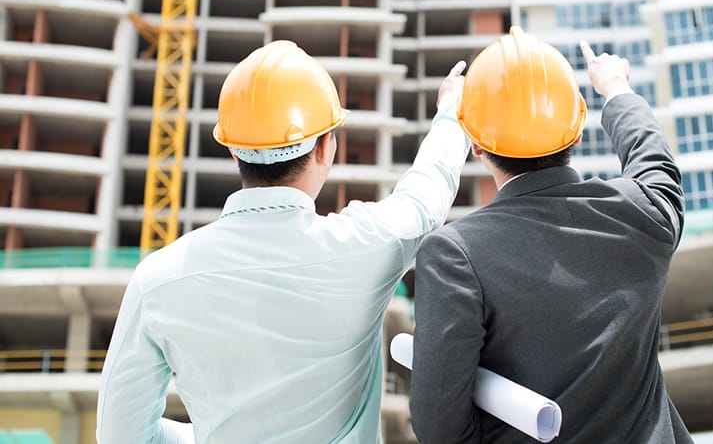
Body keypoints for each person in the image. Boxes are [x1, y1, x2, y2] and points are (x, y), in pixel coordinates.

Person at [96, 40, 470, 443]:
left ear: (235, 153)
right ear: (326, 147)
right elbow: (425, 196)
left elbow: (121, 436)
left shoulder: (158, 280)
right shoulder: (366, 246)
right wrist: (450, 111)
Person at [409, 27, 692, 443]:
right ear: (576, 130)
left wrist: (451, 111)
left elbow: (440, 429)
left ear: (477, 145)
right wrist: (615, 89)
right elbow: (656, 166)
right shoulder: (642, 214)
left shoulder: (456, 256)